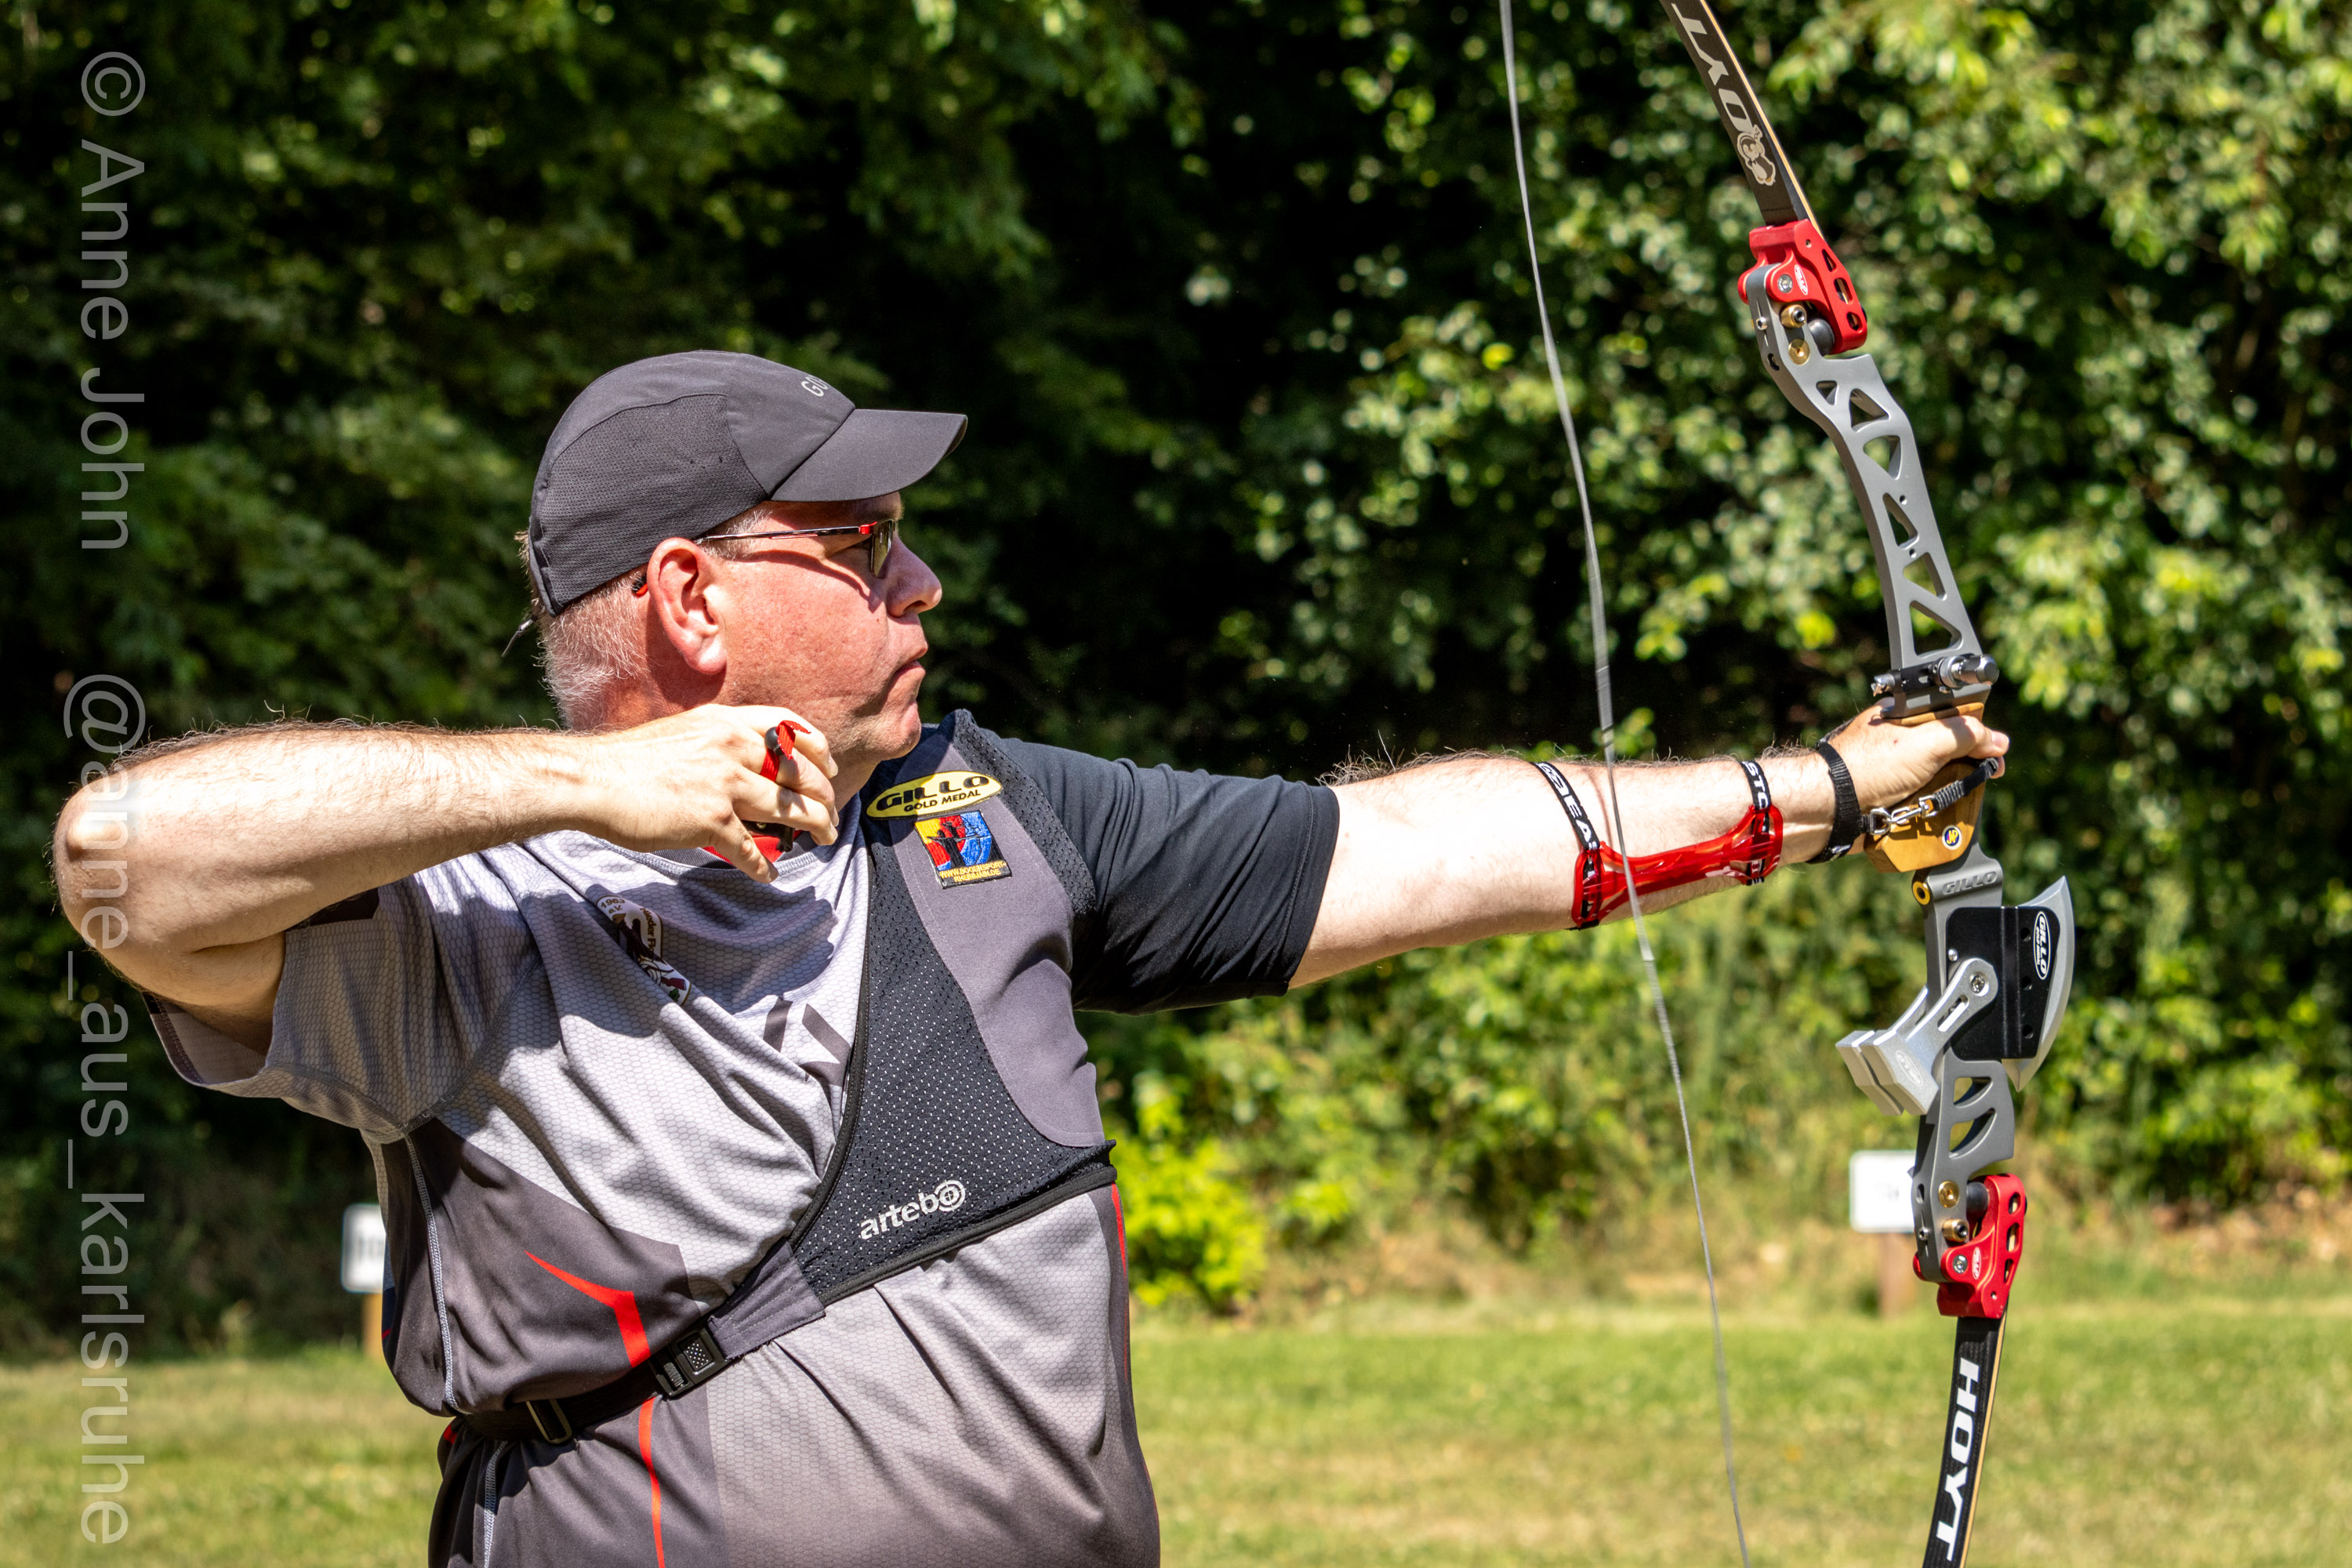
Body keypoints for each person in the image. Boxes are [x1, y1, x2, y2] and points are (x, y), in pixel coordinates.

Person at [53, 351, 2004, 1567]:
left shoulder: (986, 814)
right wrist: (592, 783)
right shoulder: (476, 912)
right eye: (866, 544)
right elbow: (119, 859)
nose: (923, 582)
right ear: (690, 600)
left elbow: (1418, 849)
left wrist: (1829, 789)